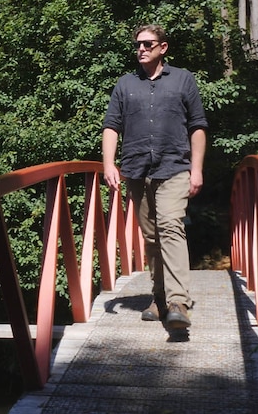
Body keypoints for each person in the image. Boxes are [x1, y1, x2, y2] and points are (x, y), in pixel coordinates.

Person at [102, 23, 208, 329]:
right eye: (138, 44)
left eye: (148, 44)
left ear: (163, 47)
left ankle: (178, 302)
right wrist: (109, 163)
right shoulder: (125, 84)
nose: (142, 49)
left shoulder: (183, 80)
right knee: (151, 237)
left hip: (174, 167)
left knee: (171, 226)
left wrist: (197, 169)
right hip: (136, 171)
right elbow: (111, 126)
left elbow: (197, 126)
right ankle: (159, 297)